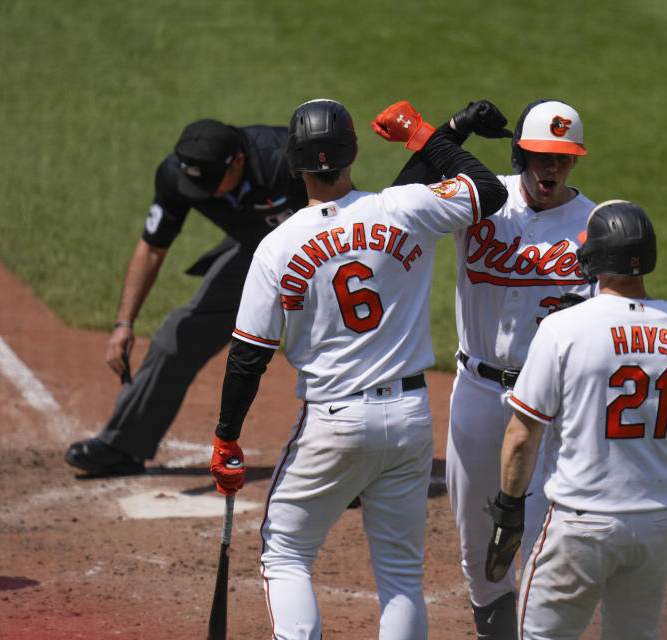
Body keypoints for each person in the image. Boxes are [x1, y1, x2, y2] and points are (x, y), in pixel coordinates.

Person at [208, 98, 507, 640]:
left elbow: (248, 355)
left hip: (332, 420)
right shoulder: (402, 209)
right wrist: (433, 133)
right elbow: (487, 189)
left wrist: (226, 437)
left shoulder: (276, 247)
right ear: (354, 151)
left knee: (286, 552)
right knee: (400, 578)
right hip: (411, 417)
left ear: (294, 165)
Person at [484, 200, 667, 639]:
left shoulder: (564, 328)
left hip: (581, 527)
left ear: (594, 258)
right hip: (656, 526)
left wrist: (508, 511)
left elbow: (523, 435)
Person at [394, 98, 596, 638]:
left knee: (536, 542)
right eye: (541, 156)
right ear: (519, 152)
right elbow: (403, 193)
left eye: (564, 158)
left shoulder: (595, 226)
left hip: (552, 404)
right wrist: (451, 130)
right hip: (478, 396)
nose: (552, 168)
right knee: (477, 538)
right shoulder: (484, 199)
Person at [64, 118, 307, 476]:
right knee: (177, 336)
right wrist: (123, 323)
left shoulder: (283, 161)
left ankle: (356, 461)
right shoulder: (178, 176)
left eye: (210, 184)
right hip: (256, 254)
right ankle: (124, 445)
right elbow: (151, 249)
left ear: (238, 161)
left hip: (320, 258)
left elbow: (342, 215)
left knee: (329, 348)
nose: (203, 193)